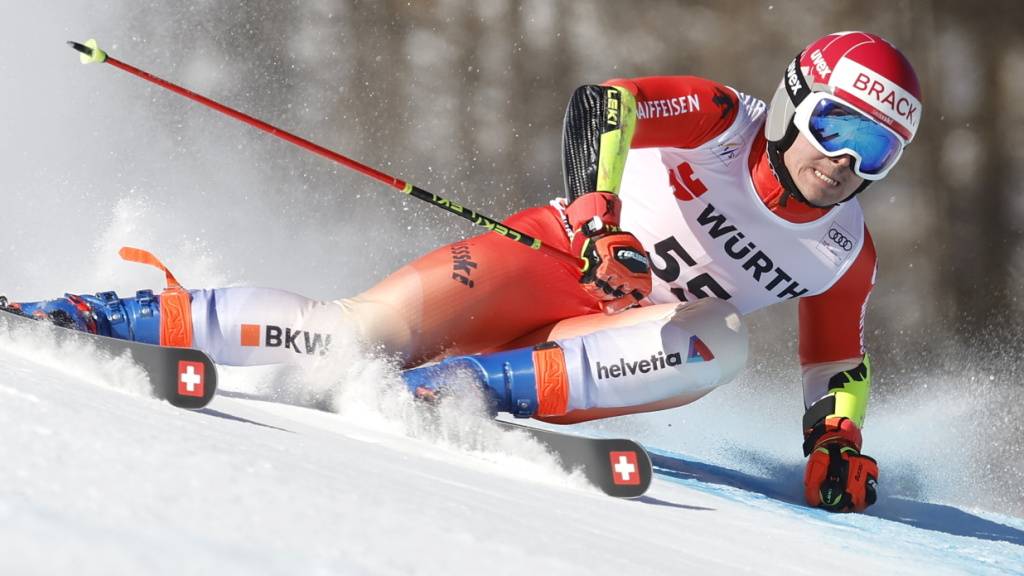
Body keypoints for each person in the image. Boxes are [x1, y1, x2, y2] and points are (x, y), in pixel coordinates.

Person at [5, 31, 921, 513]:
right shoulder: (722, 116)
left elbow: (833, 360)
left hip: (609, 346)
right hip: (543, 261)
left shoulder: (842, 247)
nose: (847, 162)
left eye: (877, 148)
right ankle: (82, 315)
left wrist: (834, 446)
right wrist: (600, 223)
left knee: (718, 343)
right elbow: (608, 104)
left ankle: (456, 391)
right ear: (799, 100)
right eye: (839, 126)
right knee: (350, 334)